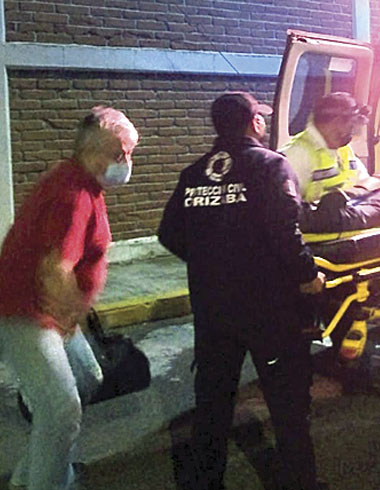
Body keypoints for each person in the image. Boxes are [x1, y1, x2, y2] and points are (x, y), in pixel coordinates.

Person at [157, 92, 326, 490]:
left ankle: (206, 481)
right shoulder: (270, 165)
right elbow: (286, 231)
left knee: (213, 405)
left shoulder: (193, 174)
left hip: (214, 309)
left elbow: (168, 233)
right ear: (254, 123)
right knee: (287, 404)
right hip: (269, 309)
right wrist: (308, 275)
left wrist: (211, 262)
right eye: (260, 118)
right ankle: (298, 483)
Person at [0, 106, 139, 490]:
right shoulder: (73, 194)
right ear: (93, 153)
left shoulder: (82, 182)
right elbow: (55, 269)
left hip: (50, 308)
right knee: (61, 409)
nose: (127, 162)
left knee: (87, 377)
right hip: (29, 311)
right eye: (120, 153)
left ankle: (33, 473)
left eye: (129, 153)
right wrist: (69, 314)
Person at [280, 92, 372, 204]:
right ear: (337, 122)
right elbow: (288, 206)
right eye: (351, 125)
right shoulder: (297, 154)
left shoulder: (344, 150)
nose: (353, 131)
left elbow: (364, 181)